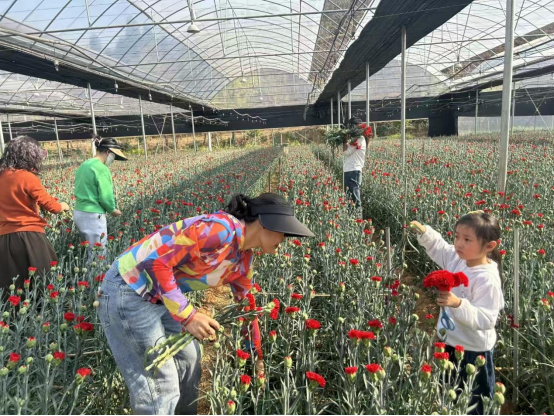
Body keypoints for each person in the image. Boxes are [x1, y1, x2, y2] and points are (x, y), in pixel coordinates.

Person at [97, 193, 314, 415]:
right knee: (160, 385)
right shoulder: (220, 230)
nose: (284, 239)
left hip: (159, 294)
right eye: (283, 231)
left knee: (189, 359)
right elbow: (157, 262)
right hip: (129, 288)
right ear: (264, 223)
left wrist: (256, 356)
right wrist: (189, 316)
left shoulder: (243, 260)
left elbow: (246, 309)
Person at [411, 212, 504, 415]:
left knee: (474, 402)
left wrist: (458, 304)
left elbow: (487, 319)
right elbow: (442, 249)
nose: (459, 243)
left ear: (489, 246)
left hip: (473, 352)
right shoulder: (460, 259)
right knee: (448, 395)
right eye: (456, 236)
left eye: (467, 239)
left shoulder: (486, 279)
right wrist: (426, 233)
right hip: (449, 343)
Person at [0, 136, 70, 293]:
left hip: (4, 238)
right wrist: (63, 206)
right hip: (29, 236)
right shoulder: (26, 177)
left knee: (13, 285)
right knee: (43, 280)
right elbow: (51, 206)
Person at [74, 135, 127, 256]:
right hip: (93, 216)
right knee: (98, 255)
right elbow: (105, 196)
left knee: (90, 251)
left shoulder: (84, 165)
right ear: (108, 152)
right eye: (113, 156)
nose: (113, 160)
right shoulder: (101, 169)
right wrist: (112, 210)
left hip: (79, 213)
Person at [343, 117, 370, 208]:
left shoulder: (359, 139)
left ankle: (357, 215)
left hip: (353, 171)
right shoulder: (356, 139)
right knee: (350, 199)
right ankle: (353, 215)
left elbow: (346, 152)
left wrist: (344, 141)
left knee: (354, 199)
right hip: (350, 170)